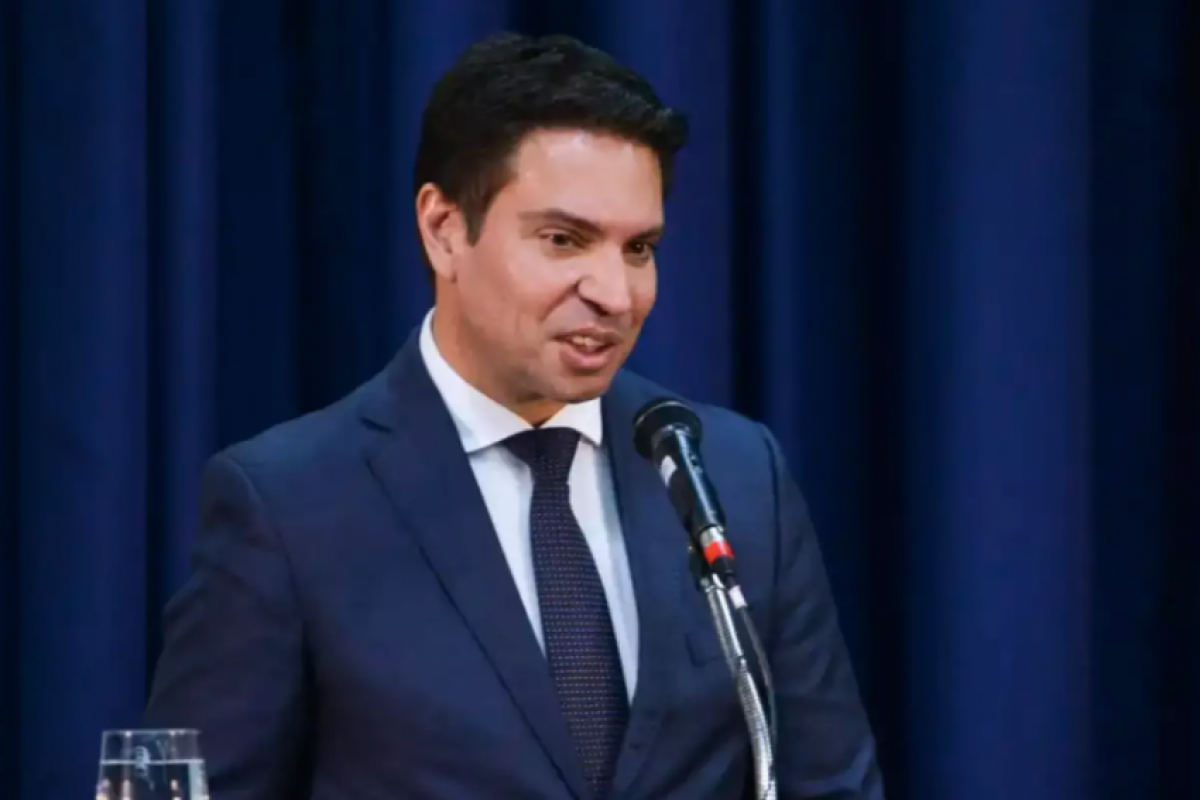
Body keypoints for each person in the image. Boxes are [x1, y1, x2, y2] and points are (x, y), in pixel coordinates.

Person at [143, 32, 885, 800]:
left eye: (639, 248)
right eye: (564, 240)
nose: (615, 293)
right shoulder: (289, 505)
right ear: (443, 229)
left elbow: (831, 784)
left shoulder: (730, 472)